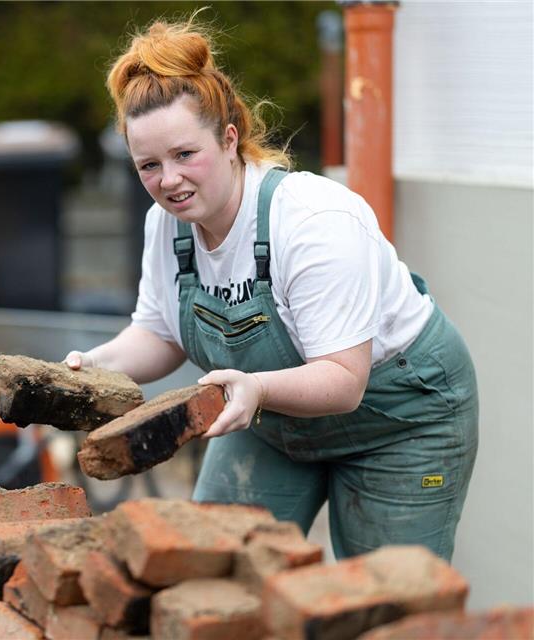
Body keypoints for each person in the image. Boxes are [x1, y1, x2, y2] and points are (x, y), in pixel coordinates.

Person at [65, 16, 478, 561]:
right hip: (268, 419)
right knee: (210, 573)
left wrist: (256, 389)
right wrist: (90, 369)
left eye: (186, 155)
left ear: (230, 139)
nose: (168, 181)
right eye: (149, 165)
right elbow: (159, 333)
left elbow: (342, 380)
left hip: (399, 418)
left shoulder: (312, 221)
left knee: (383, 608)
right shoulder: (165, 225)